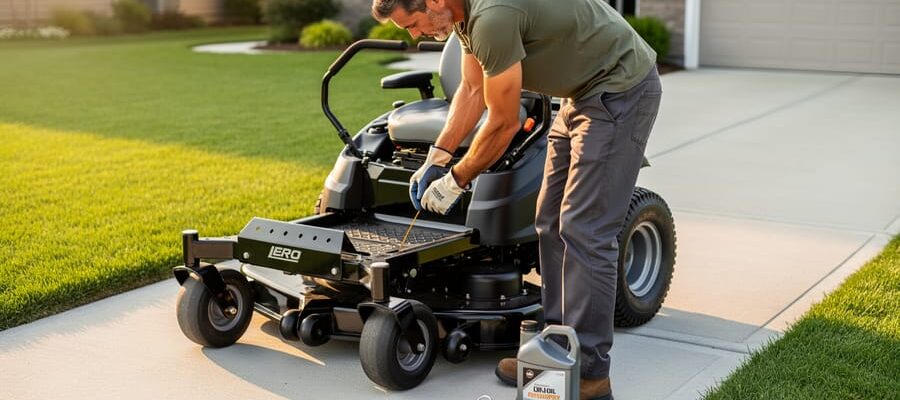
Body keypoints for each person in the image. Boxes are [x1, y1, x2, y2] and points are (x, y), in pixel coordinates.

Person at [372, 0, 661, 398]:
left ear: (435, 0)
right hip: (581, 94)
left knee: (585, 230)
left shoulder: (493, 16)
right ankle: (558, 349)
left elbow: (504, 121)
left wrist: (457, 179)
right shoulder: (464, 17)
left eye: (414, 24)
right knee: (549, 221)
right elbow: (473, 89)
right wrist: (437, 159)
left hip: (619, 88)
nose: (415, 35)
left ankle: (592, 374)